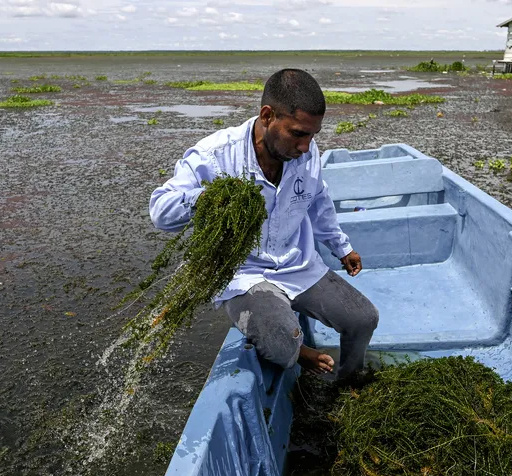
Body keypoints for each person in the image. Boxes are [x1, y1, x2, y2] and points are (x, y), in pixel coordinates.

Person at [149, 69, 378, 380]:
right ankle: (298, 354)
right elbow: (160, 211)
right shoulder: (216, 156)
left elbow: (318, 201)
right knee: (283, 341)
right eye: (298, 134)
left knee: (363, 318)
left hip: (298, 265)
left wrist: (342, 247)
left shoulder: (306, 154)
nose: (306, 147)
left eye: (313, 136)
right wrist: (205, 199)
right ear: (268, 116)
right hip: (244, 275)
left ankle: (348, 380)